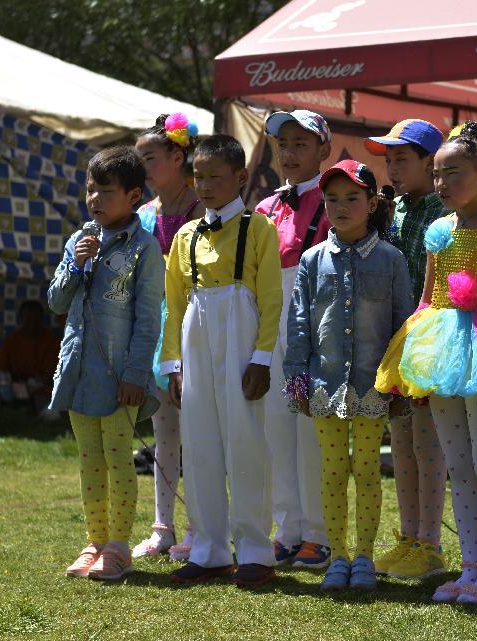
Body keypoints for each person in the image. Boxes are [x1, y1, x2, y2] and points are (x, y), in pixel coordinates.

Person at [376, 121, 477, 605]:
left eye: (454, 173)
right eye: (437, 174)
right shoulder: (439, 230)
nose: (442, 183)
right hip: (441, 352)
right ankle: (468, 567)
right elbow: (427, 301)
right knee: (458, 465)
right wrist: (409, 364)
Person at [283, 159, 414, 591]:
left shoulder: (392, 260)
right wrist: (297, 377)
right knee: (333, 471)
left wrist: (400, 382)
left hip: (373, 385)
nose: (342, 207)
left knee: (368, 470)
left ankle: (363, 556)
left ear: (372, 202)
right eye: (333, 199)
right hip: (324, 383)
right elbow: (299, 322)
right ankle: (337, 555)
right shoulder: (311, 260)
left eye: (353, 198)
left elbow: (402, 323)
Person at [160, 134, 282, 588]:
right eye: (199, 176)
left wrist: (262, 357)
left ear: (240, 177)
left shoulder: (257, 228)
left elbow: (270, 298)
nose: (205, 185)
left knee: (245, 438)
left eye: (215, 176)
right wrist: (171, 363)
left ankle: (254, 549)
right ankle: (209, 550)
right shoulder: (185, 235)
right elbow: (174, 305)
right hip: (197, 331)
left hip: (240, 331)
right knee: (200, 443)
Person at [48, 146, 164, 581]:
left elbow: (149, 317)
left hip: (121, 378)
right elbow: (56, 301)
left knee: (118, 460)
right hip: (80, 372)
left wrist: (137, 375)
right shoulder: (79, 241)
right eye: (90, 189)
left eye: (106, 191)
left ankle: (118, 547)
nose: (94, 199)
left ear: (133, 195)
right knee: (89, 460)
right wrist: (74, 265)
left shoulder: (145, 249)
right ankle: (94, 543)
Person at [364, 119, 448, 579]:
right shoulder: (390, 213)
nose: (393, 167)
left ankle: (430, 545)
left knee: (427, 445)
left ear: (429, 162)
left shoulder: (442, 214)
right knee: (401, 446)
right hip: (391, 347)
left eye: (402, 157)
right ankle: (409, 537)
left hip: (429, 344)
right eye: (389, 158)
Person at [255, 109, 333, 570]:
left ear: (324, 149)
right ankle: (287, 532)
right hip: (269, 316)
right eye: (283, 144)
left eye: (301, 144)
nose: (289, 152)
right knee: (276, 427)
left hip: (314, 316)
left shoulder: (335, 199)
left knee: (311, 430)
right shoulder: (266, 207)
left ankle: (319, 535)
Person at [132, 113, 204, 560]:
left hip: (194, 326)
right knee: (164, 432)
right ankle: (162, 526)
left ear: (178, 157)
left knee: (197, 432)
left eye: (150, 158)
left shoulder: (203, 210)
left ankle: (200, 525)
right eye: (139, 159)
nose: (143, 167)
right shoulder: (142, 215)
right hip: (154, 329)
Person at [0, 300, 60, 413]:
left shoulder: (51, 341)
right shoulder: (12, 340)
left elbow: (49, 375)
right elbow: (2, 369)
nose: (32, 323)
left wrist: (31, 386)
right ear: (21, 319)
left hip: (39, 388)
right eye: (28, 318)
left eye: (36, 318)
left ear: (41, 319)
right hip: (15, 386)